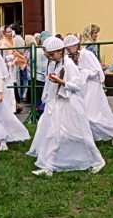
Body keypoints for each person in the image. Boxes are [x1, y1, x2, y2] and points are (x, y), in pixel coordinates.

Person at [26, 36, 105, 177]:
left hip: (70, 104)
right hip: (57, 102)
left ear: (60, 52)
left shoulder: (68, 65)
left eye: (52, 54)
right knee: (52, 132)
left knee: (79, 133)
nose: (50, 57)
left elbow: (77, 86)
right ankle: (48, 165)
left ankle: (97, 160)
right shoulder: (55, 63)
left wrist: (61, 82)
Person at [64, 34, 113, 144]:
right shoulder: (72, 57)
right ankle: (88, 136)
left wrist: (83, 72)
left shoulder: (87, 54)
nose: (68, 52)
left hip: (92, 87)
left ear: (75, 45)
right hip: (83, 87)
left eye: (69, 49)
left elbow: (98, 72)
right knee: (84, 113)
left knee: (91, 115)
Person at [0, 25, 27, 114]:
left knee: (13, 85)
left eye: (11, 32)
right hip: (6, 68)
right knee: (8, 86)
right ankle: (12, 106)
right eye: (8, 32)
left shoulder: (11, 41)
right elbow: (1, 57)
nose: (10, 34)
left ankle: (15, 105)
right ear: (4, 33)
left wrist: (15, 56)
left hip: (12, 67)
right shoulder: (2, 43)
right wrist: (12, 56)